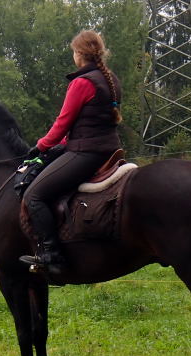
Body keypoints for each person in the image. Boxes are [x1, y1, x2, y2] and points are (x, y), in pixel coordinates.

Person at [19, 30, 123, 274]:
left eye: (73, 52)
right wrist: (62, 144)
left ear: (79, 54)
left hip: (87, 152)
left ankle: (52, 256)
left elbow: (63, 122)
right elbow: (88, 120)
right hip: (110, 149)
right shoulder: (110, 79)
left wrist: (42, 145)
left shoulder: (82, 83)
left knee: (34, 196)